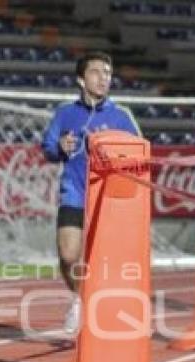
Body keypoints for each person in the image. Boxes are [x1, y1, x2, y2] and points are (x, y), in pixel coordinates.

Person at [41, 51, 140, 333]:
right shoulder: (65, 113)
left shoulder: (121, 117)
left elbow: (140, 155)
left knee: (105, 265)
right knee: (68, 255)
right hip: (74, 192)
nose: (104, 78)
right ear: (81, 79)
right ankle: (79, 300)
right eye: (97, 72)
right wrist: (60, 146)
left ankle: (106, 311)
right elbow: (48, 149)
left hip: (109, 200)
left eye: (108, 73)